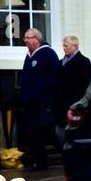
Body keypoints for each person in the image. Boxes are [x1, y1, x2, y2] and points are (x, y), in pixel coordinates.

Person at [18, 27, 60, 170]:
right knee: (33, 133)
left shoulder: (48, 54)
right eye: (25, 38)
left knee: (48, 131)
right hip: (30, 103)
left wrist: (44, 96)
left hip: (43, 102)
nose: (25, 41)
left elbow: (53, 78)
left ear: (36, 39)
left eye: (28, 38)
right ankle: (40, 162)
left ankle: (67, 155)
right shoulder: (28, 56)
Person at [54, 35, 91, 145]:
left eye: (67, 46)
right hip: (60, 106)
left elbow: (86, 84)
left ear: (75, 46)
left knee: (72, 137)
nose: (64, 48)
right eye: (63, 46)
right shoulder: (60, 62)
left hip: (74, 105)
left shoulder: (83, 62)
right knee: (59, 134)